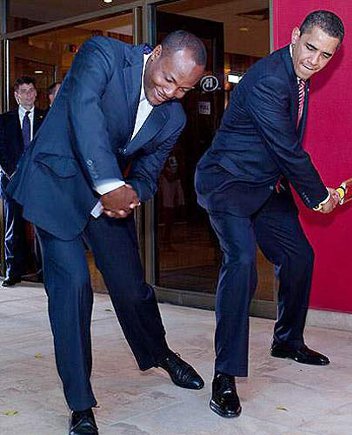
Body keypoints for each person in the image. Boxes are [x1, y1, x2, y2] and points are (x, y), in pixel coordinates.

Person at [7, 31, 206, 434]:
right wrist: (109, 183)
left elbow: (149, 171)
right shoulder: (103, 54)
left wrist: (130, 194)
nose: (172, 92)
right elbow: (83, 111)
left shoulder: (174, 117)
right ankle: (80, 404)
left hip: (108, 197)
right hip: (56, 182)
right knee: (73, 289)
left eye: (184, 88)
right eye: (169, 79)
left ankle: (160, 353)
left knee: (132, 288)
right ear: (156, 54)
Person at [195, 10, 345, 418]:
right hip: (227, 183)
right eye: (310, 47)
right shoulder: (267, 80)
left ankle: (287, 340)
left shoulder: (297, 77)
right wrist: (318, 196)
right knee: (242, 261)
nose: (314, 60)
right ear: (295, 36)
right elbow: (288, 150)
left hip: (264, 184)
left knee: (299, 256)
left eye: (326, 55)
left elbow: (280, 152)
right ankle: (224, 377)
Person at [0, 76, 45, 287]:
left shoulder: (47, 118)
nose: (27, 94)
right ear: (16, 96)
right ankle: (13, 272)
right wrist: (12, 173)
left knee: (43, 228)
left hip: (41, 181)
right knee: (13, 227)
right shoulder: (4, 120)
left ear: (36, 93)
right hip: (12, 181)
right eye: (23, 91)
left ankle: (45, 272)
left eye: (31, 90)